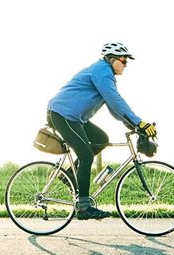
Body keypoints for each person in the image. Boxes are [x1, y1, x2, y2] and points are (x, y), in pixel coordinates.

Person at [47, 42, 157, 220]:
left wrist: (134, 126)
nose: (126, 65)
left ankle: (68, 174)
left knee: (101, 139)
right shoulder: (102, 71)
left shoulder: (105, 73)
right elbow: (115, 99)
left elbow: (114, 109)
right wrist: (139, 122)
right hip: (62, 115)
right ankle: (83, 207)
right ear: (112, 59)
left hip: (74, 118)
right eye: (124, 60)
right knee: (86, 155)